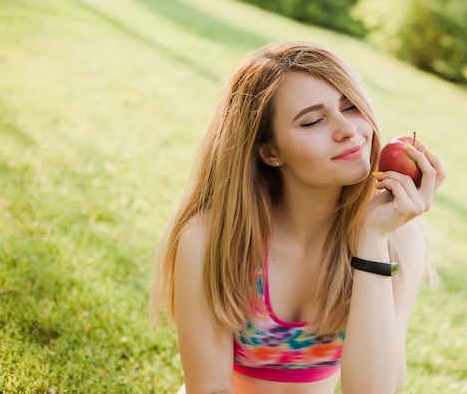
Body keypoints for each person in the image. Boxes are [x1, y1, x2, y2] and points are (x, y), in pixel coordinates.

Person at [150, 39, 446, 394]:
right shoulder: (211, 239)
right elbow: (210, 389)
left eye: (351, 106)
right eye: (313, 121)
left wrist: (373, 240)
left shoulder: (398, 239)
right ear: (270, 151)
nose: (348, 130)